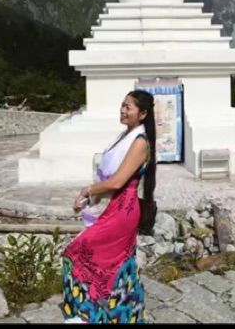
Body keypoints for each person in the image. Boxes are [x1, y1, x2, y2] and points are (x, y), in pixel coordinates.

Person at [62, 89, 156, 324]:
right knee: (111, 263)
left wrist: (88, 190)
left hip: (121, 210)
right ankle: (118, 315)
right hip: (113, 206)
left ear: (143, 114)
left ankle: (91, 314)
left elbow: (117, 182)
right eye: (122, 105)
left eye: (128, 107)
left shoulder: (139, 142)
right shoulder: (125, 136)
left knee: (79, 252)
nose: (122, 110)